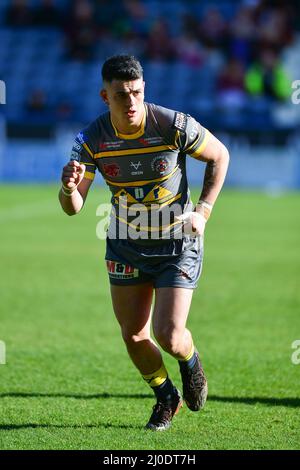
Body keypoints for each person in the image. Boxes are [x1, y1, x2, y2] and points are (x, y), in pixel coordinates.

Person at [59, 54, 229, 431]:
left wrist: (202, 212)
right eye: (121, 95)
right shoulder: (91, 139)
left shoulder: (171, 124)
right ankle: (166, 396)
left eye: (136, 92)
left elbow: (220, 155)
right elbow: (73, 207)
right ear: (105, 96)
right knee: (134, 335)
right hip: (125, 243)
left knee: (169, 335)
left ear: (144, 89)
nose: (131, 102)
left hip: (175, 243)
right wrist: (69, 187)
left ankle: (190, 360)